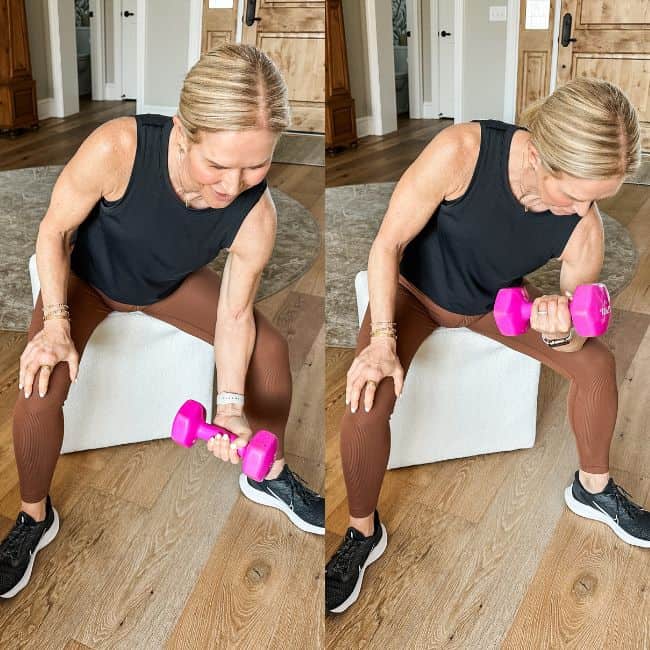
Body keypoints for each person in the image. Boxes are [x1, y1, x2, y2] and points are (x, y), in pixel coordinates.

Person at [0, 43, 324, 600]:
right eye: (218, 164)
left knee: (268, 352)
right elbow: (52, 230)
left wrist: (229, 408)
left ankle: (265, 471)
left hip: (168, 286)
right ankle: (33, 517)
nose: (233, 185)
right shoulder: (118, 149)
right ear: (182, 132)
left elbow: (235, 313)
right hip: (89, 282)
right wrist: (55, 324)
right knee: (38, 387)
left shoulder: (257, 215)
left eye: (257, 164)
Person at [325, 77, 648, 614]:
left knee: (596, 366)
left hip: (492, 304)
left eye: (597, 197)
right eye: (573, 191)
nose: (582, 209)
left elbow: (577, 331)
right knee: (364, 399)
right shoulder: (462, 153)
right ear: (541, 152)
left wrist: (560, 325)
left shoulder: (584, 225)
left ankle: (592, 487)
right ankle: (362, 532)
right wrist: (381, 340)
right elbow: (387, 244)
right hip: (412, 293)